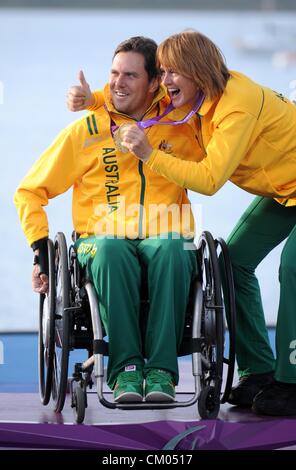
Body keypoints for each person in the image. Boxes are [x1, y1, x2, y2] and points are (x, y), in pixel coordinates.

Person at [68, 30, 296, 416]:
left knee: (292, 268)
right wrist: (94, 100)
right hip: (286, 189)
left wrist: (149, 154)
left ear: (196, 71)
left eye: (172, 72)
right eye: (164, 72)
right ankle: (259, 371)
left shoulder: (235, 108)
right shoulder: (199, 96)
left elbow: (208, 180)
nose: (166, 80)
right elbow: (141, 98)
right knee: (232, 263)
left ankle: (291, 383)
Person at [14, 36, 200, 404]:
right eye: (114, 74)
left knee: (174, 249)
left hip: (166, 232)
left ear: (154, 82)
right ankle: (126, 371)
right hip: (101, 240)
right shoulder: (86, 131)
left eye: (130, 75)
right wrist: (40, 251)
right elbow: (30, 192)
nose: (118, 83)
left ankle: (162, 371)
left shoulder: (182, 124)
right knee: (113, 250)